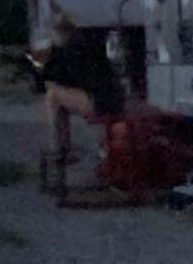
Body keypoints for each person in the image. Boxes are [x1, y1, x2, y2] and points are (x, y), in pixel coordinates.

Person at [26, 20, 124, 172]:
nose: (51, 39)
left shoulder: (70, 50)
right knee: (60, 99)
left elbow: (60, 79)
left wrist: (40, 68)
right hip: (111, 98)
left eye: (53, 34)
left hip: (100, 102)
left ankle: (56, 147)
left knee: (53, 95)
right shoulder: (83, 45)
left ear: (60, 34)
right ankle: (63, 145)